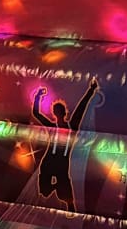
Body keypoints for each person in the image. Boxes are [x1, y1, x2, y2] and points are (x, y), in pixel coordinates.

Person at [32, 78, 98, 209]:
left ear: (63, 113)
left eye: (59, 111)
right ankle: (57, 188)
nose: (57, 113)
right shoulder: (52, 127)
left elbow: (81, 108)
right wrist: (38, 97)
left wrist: (91, 90)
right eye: (55, 111)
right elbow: (36, 113)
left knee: (68, 199)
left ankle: (70, 209)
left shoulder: (72, 127)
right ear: (54, 113)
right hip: (48, 162)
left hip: (62, 164)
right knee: (44, 192)